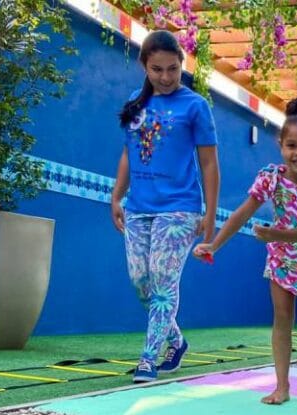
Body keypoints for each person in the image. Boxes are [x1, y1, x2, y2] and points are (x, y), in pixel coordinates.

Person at [193, 98, 297, 404]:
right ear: (280, 144)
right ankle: (282, 385)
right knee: (282, 316)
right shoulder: (271, 177)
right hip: (283, 257)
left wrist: (275, 234)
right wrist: (214, 244)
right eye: (292, 145)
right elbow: (242, 214)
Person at [110, 30, 220, 383]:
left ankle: (148, 358)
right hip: (139, 207)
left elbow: (209, 164)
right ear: (144, 66)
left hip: (180, 208)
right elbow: (128, 154)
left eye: (173, 69)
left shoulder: (195, 106)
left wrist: (210, 214)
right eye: (157, 69)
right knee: (139, 280)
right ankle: (176, 340)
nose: (166, 77)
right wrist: (116, 196)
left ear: (181, 65)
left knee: (162, 280)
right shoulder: (135, 103)